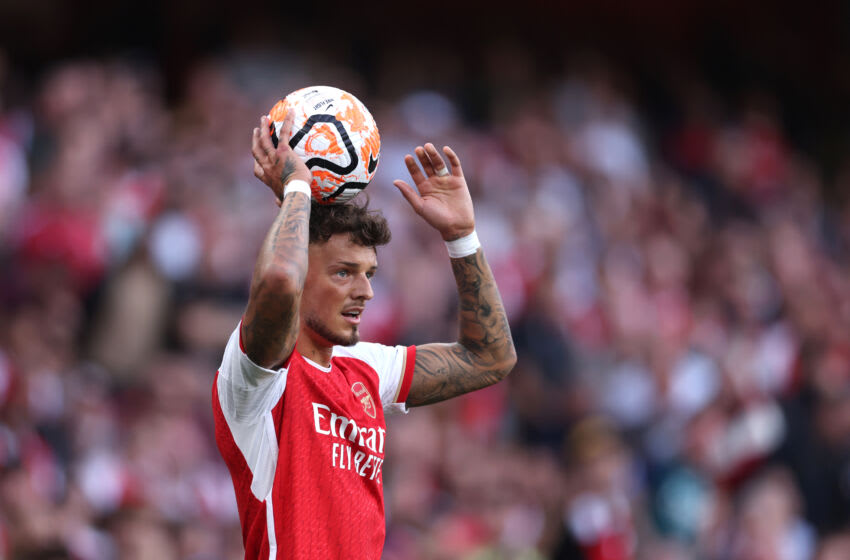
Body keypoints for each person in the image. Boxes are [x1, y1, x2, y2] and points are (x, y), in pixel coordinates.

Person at [212, 110, 517, 559]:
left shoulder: (367, 368)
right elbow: (278, 281)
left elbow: (490, 357)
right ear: (303, 270)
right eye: (344, 272)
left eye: (369, 273)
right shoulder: (255, 376)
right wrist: (297, 188)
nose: (366, 291)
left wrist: (461, 237)